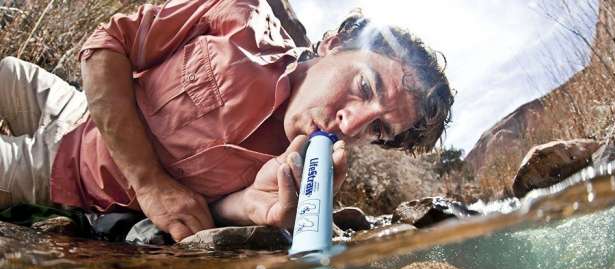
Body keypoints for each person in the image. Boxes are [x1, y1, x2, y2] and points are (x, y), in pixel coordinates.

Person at [0, 0, 453, 242]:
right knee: (6, 70)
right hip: (75, 105)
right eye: (365, 88)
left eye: (377, 130)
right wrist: (150, 181)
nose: (351, 126)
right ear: (332, 44)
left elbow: (204, 216)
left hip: (63, 174)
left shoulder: (294, 174)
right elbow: (107, 44)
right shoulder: (240, 15)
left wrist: (258, 210)